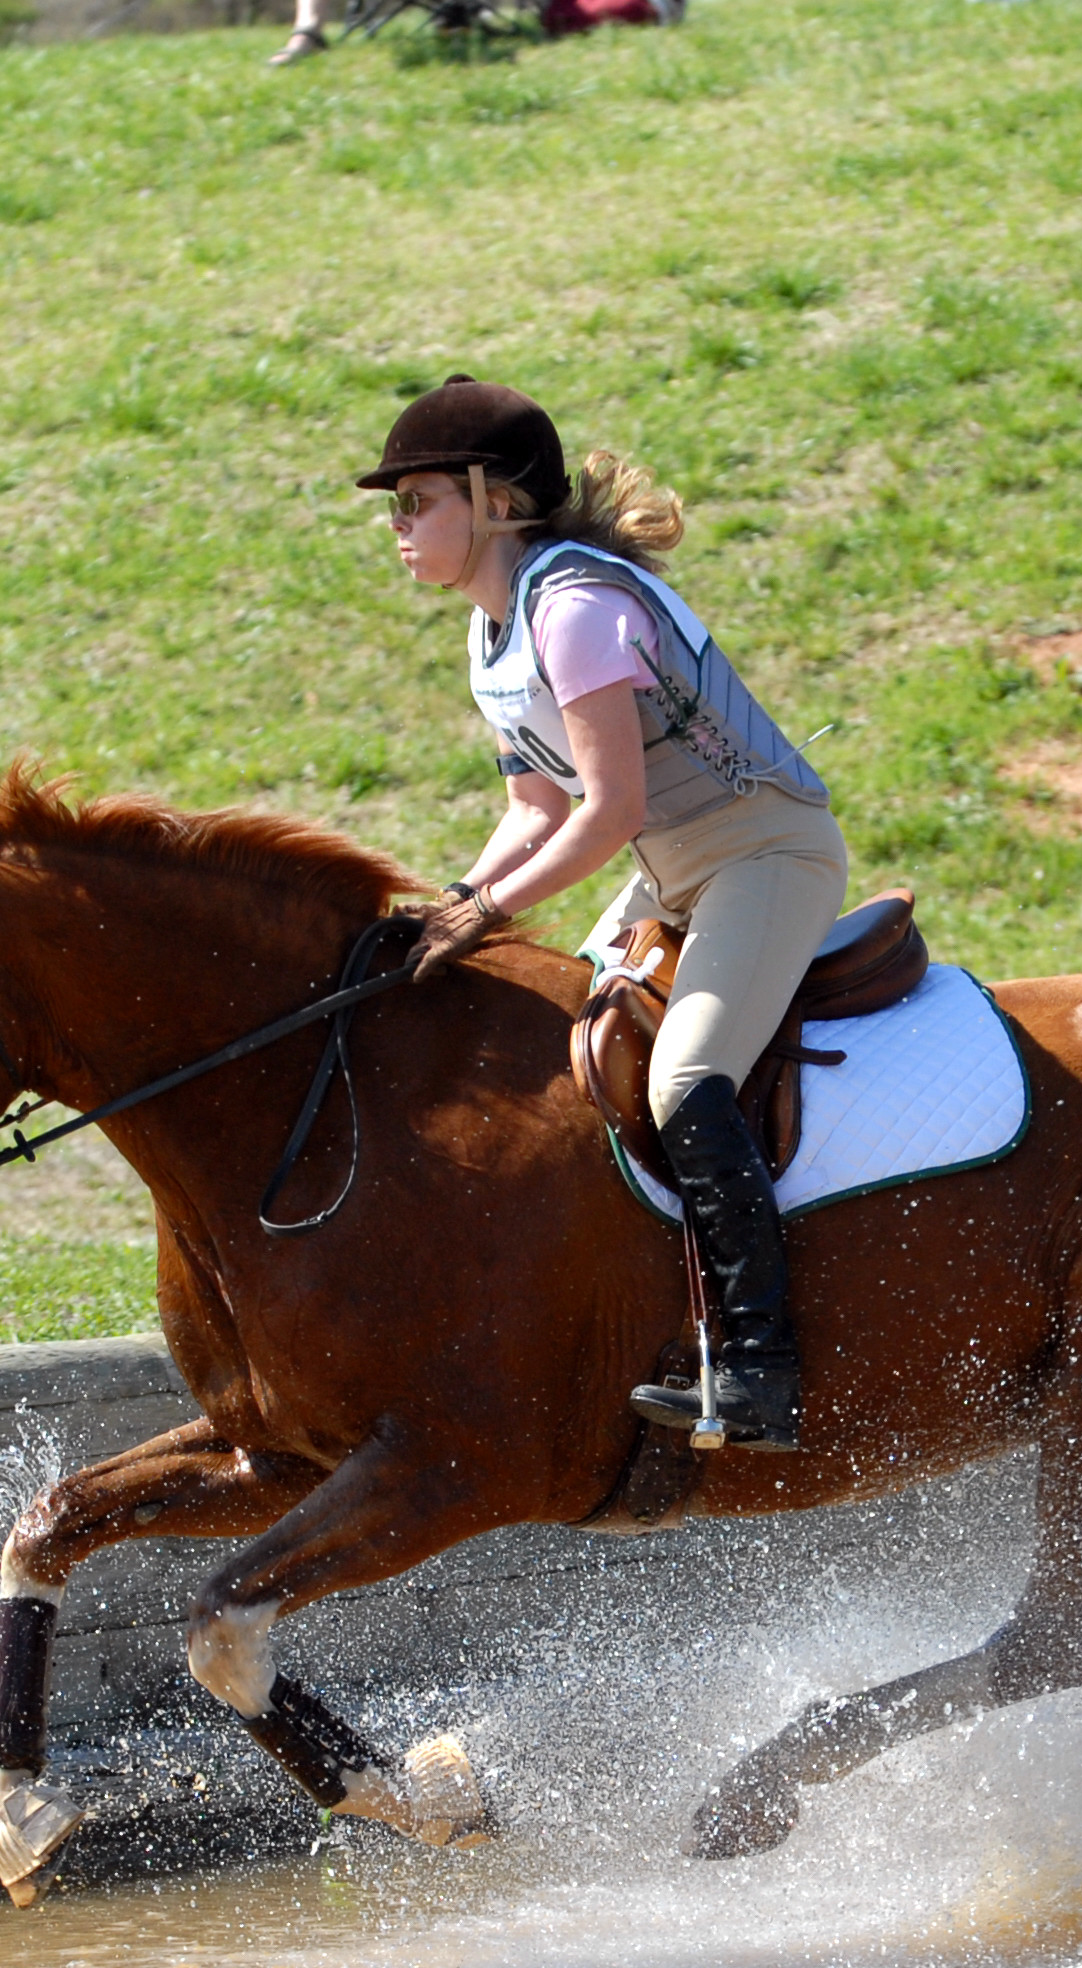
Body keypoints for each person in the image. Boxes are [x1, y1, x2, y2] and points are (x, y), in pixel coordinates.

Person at [364, 374, 845, 1452]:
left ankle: (761, 1369)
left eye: (419, 500)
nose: (397, 526)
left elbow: (607, 807)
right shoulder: (492, 632)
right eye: (395, 507)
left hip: (761, 852)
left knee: (684, 1081)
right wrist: (444, 907)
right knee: (566, 1058)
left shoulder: (573, 607)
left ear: (493, 502)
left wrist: (482, 913)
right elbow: (531, 808)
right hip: (671, 870)